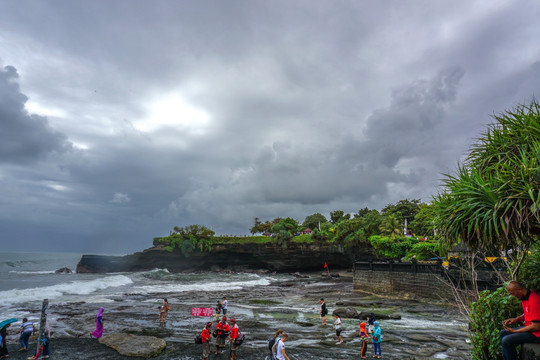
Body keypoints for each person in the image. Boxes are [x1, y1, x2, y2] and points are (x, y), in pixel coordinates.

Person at [500, 281, 540, 360]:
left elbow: (537, 326)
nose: (513, 296)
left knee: (506, 340)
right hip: (530, 329)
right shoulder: (524, 297)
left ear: (519, 289)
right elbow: (528, 313)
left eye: (513, 293)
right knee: (503, 333)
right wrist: (516, 319)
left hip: (537, 334)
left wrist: (515, 331)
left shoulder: (534, 300)